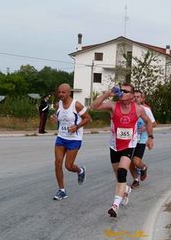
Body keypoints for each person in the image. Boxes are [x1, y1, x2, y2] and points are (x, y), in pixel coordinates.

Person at [91, 83, 154, 218]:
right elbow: (93, 106)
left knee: (121, 172)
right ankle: (126, 190)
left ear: (131, 96)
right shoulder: (113, 105)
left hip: (129, 145)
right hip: (114, 145)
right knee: (118, 176)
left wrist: (150, 137)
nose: (122, 93)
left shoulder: (138, 109)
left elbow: (149, 122)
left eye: (125, 91)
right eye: (121, 91)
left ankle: (115, 206)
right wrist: (108, 94)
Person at [51, 84, 91, 200]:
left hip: (74, 139)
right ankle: (61, 190)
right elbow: (59, 119)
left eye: (63, 92)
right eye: (59, 92)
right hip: (61, 137)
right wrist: (54, 119)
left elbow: (88, 118)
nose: (61, 94)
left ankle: (80, 170)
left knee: (68, 166)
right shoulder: (58, 104)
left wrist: (77, 126)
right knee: (58, 163)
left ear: (69, 93)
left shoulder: (76, 105)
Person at [130, 90, 157, 189]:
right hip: (130, 139)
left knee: (136, 161)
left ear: (142, 99)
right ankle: (136, 180)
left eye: (138, 96)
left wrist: (146, 129)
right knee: (128, 161)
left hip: (141, 138)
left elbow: (154, 123)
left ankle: (143, 167)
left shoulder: (146, 110)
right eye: (134, 96)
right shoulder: (128, 109)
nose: (136, 98)